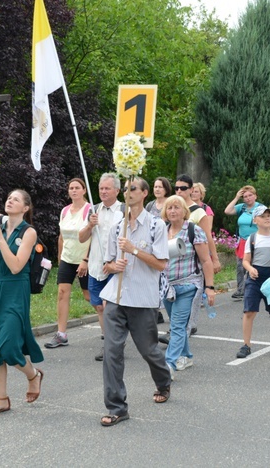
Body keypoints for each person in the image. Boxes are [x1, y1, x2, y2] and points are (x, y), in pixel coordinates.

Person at [99, 177, 171, 427]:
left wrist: (134, 251)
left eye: (133, 189)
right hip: (116, 298)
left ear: (144, 194)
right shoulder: (117, 227)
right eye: (126, 190)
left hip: (142, 299)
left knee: (149, 350)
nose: (128, 194)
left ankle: (163, 381)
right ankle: (117, 407)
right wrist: (112, 265)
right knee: (112, 352)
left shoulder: (156, 226)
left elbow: (161, 264)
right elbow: (106, 265)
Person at [0, 189, 44, 417]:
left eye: (16, 199)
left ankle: (33, 375)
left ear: (25, 208)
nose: (9, 200)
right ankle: (1, 399)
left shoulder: (29, 232)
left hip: (15, 291)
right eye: (8, 198)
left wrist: (1, 241)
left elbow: (16, 266)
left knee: (9, 346)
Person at [161, 195, 215, 374]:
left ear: (184, 211)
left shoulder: (194, 230)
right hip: (167, 287)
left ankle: (169, 364)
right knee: (178, 324)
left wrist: (210, 287)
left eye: (177, 207)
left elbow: (206, 261)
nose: (173, 211)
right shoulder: (162, 230)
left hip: (188, 285)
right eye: (169, 208)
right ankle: (187, 356)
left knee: (177, 326)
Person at [78, 173, 124, 361]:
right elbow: (81, 238)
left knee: (109, 306)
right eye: (101, 188)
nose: (103, 192)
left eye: (107, 188)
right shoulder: (94, 210)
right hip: (96, 266)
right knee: (99, 307)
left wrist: (115, 262)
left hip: (116, 267)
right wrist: (90, 225)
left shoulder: (124, 210)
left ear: (117, 190)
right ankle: (109, 341)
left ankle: (113, 345)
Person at [236, 205, 270, 358]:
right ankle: (246, 345)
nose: (267, 218)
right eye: (263, 216)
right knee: (249, 311)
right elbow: (246, 261)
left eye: (269, 215)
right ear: (255, 220)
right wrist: (250, 269)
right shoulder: (252, 239)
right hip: (255, 278)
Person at [45, 178, 91, 349]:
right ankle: (61, 334)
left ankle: (112, 324)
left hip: (84, 259)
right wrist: (59, 258)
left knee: (90, 297)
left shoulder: (89, 210)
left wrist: (85, 260)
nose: (73, 191)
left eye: (77, 188)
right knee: (62, 293)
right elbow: (61, 236)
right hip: (67, 258)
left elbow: (94, 237)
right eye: (71, 188)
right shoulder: (64, 211)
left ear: (84, 190)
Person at [174, 174, 220, 336]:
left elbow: (208, 237)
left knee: (190, 300)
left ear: (191, 190)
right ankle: (181, 328)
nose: (179, 191)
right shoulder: (172, 208)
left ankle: (185, 329)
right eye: (176, 188)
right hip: (175, 263)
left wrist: (214, 259)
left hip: (193, 262)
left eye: (183, 188)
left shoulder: (198, 212)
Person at [224, 185, 262, 300]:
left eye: (250, 195)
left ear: (255, 196)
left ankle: (258, 289)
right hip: (243, 241)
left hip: (257, 241)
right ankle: (241, 289)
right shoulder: (242, 207)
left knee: (256, 265)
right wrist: (236, 197)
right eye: (245, 196)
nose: (248, 198)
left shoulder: (260, 208)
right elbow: (227, 211)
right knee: (240, 266)